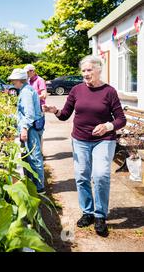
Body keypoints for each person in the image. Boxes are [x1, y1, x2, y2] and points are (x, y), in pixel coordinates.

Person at [43, 56, 126, 237]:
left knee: (101, 174)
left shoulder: (109, 91)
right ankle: (87, 212)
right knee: (81, 176)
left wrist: (108, 126)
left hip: (104, 140)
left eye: (89, 70)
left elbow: (121, 119)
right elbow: (65, 115)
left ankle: (100, 215)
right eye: (83, 71)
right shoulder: (76, 90)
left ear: (98, 70)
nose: (86, 74)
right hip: (80, 140)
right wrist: (54, 110)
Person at [8, 68, 45, 193]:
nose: (12, 82)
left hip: (31, 129)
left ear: (19, 80)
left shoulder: (26, 92)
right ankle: (35, 185)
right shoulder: (25, 90)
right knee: (32, 157)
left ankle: (39, 188)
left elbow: (29, 114)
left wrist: (24, 129)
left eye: (13, 80)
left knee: (34, 157)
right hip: (30, 127)